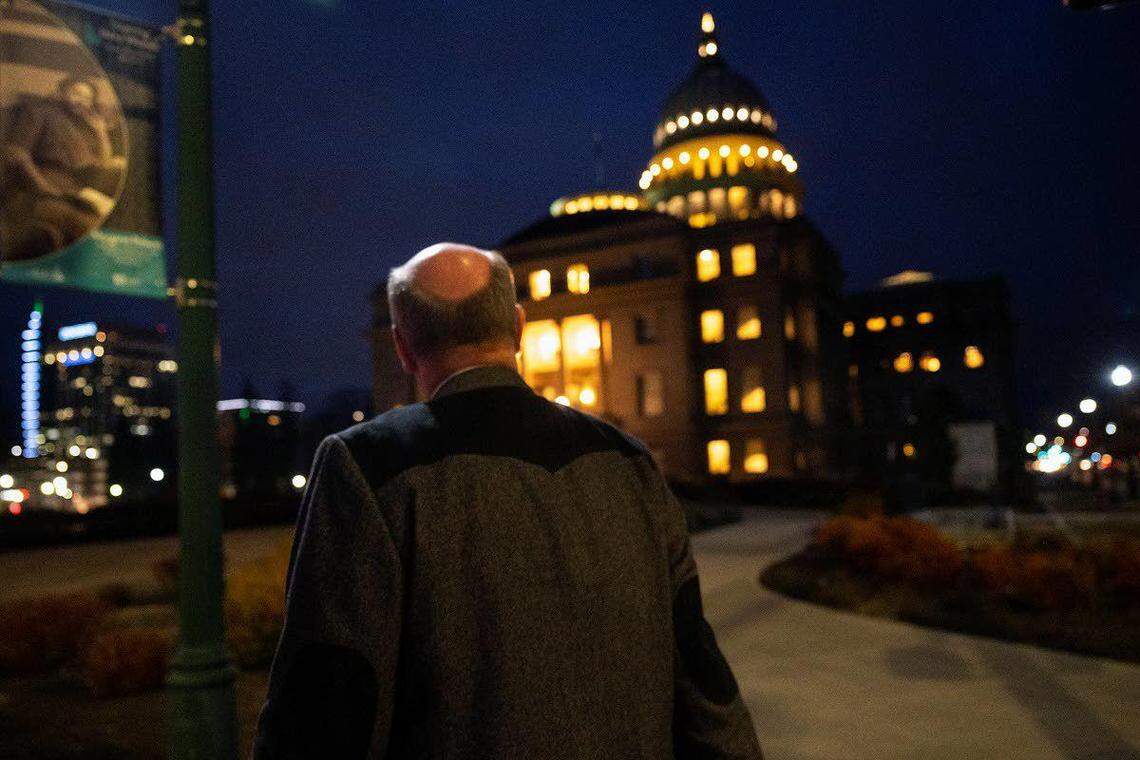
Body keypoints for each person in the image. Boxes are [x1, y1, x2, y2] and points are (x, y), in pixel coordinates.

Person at [253, 243, 763, 759]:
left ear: (403, 348)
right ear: (519, 328)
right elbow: (701, 674)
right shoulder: (628, 460)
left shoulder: (369, 465)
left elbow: (324, 705)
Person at [0, 75, 124, 262]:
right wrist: (43, 187)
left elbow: (103, 163)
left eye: (86, 98)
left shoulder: (83, 127)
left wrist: (100, 131)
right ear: (61, 92)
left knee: (113, 221)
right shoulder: (40, 111)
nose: (80, 100)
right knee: (93, 233)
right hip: (42, 190)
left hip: (78, 191)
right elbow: (16, 152)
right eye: (76, 92)